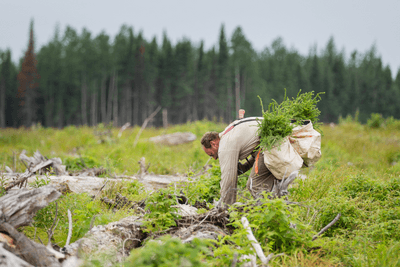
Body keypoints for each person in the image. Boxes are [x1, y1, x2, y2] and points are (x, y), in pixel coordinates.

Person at [201, 117, 279, 205]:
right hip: (273, 139)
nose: (215, 158)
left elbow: (228, 179)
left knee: (255, 185)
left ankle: (269, 210)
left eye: (212, 154)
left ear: (213, 144)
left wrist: (225, 207)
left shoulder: (225, 146)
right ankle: (277, 206)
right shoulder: (229, 132)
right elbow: (255, 150)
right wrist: (243, 167)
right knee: (268, 187)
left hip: (270, 145)